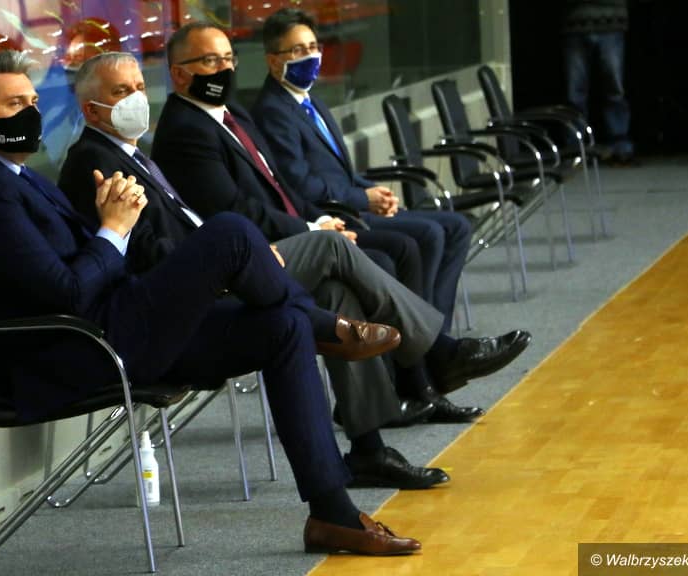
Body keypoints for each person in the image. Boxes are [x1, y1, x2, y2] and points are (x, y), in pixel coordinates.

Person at [0, 49, 422, 555]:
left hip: (113, 325)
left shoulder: (14, 174)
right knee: (231, 234)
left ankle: (331, 514)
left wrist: (115, 226)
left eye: (34, 101)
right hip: (80, 349)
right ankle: (325, 325)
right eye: (14, 105)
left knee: (283, 327)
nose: (31, 113)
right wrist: (114, 229)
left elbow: (82, 268)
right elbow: (68, 292)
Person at [60, 52, 458, 489]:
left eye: (139, 87)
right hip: (186, 295)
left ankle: (369, 451)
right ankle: (436, 351)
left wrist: (248, 254)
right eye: (121, 92)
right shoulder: (94, 163)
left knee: (335, 292)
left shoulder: (133, 154)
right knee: (329, 245)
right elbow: (144, 252)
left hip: (227, 267)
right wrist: (230, 258)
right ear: (90, 110)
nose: (136, 98)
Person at [151, 22, 532, 422]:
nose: (225, 69)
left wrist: (321, 219)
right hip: (258, 257)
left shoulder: (232, 113)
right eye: (211, 61)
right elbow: (235, 211)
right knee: (384, 256)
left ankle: (390, 412)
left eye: (229, 58)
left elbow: (282, 187)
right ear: (179, 73)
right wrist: (313, 230)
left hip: (298, 230)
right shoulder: (186, 131)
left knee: (377, 265)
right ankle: (436, 358)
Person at [252, 8, 473, 329]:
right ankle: (426, 334)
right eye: (298, 50)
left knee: (457, 227)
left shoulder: (310, 101)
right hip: (334, 214)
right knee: (429, 234)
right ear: (273, 61)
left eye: (313, 47)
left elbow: (340, 170)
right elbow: (300, 184)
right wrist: (362, 198)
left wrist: (373, 191)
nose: (310, 56)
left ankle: (435, 329)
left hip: (353, 201)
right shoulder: (273, 111)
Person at [562, 0, 635, 164]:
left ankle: (620, 146)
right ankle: (575, 148)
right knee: (575, 94)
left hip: (611, 22)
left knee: (614, 89)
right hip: (574, 23)